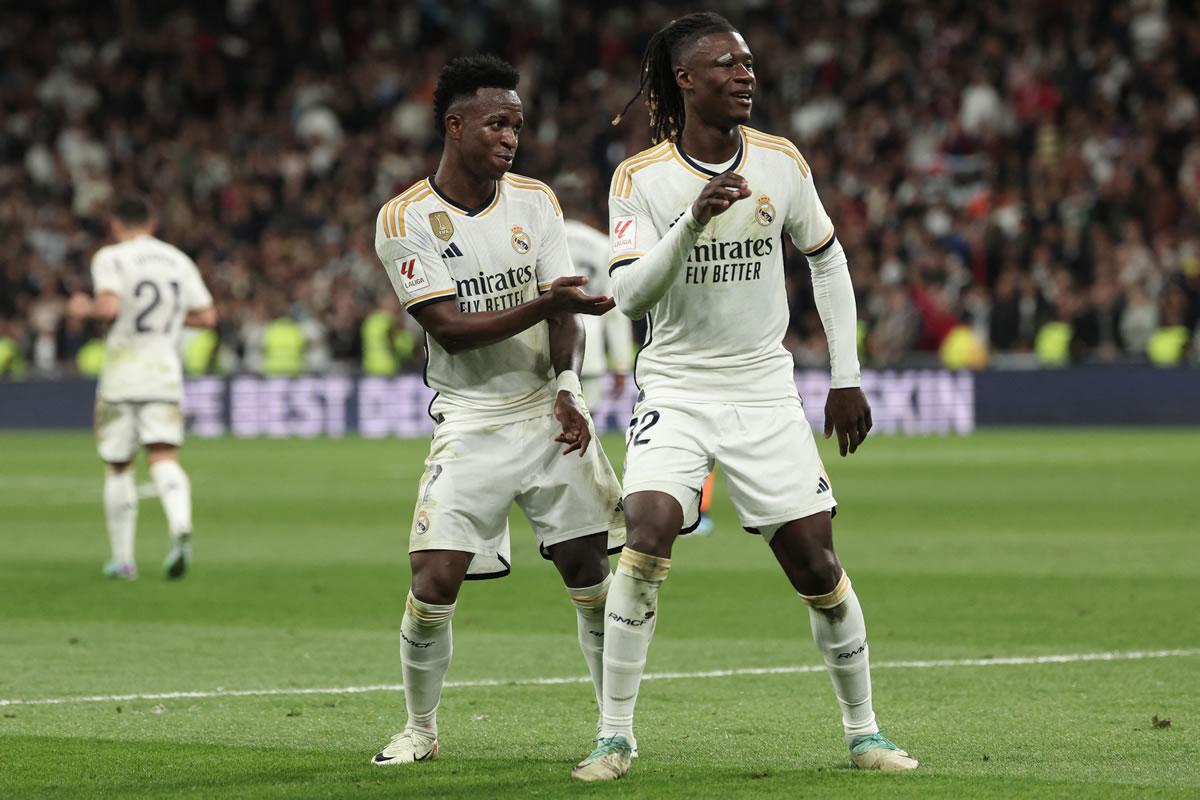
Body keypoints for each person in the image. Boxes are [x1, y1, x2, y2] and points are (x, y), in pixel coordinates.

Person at [571, 12, 917, 781]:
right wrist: (692, 221)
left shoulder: (782, 163)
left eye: (749, 63)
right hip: (680, 388)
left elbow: (827, 260)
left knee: (818, 566)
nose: (745, 75)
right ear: (685, 80)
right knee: (648, 530)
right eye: (725, 65)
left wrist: (847, 375)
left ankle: (864, 733)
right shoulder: (642, 178)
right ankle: (615, 735)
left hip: (765, 391)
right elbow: (629, 294)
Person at [370, 55, 626, 766]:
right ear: (454, 126)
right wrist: (551, 302)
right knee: (434, 577)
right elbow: (448, 326)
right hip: (474, 414)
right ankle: (420, 728)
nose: (511, 136)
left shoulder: (536, 202)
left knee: (590, 571)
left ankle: (615, 728)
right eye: (496, 122)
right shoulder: (405, 219)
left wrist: (571, 389)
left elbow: (564, 315)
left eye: (516, 123)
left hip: (547, 407)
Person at [67, 195, 217, 581]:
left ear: (116, 224)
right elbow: (207, 316)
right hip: (164, 372)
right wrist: (169, 318)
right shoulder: (177, 260)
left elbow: (108, 309)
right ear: (152, 222)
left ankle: (123, 560)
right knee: (164, 457)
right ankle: (180, 525)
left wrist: (82, 308)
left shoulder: (111, 257)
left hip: (121, 375)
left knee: (118, 465)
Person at [555, 173, 635, 417]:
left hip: (549, 347)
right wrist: (621, 364)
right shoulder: (604, 245)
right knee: (585, 429)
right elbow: (615, 309)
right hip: (590, 348)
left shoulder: (541, 243)